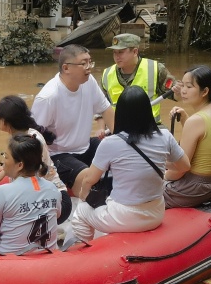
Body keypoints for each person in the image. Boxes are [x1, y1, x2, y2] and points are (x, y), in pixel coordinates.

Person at [70, 86, 190, 244]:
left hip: (125, 216)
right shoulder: (165, 136)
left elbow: (88, 180)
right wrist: (158, 162)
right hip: (156, 214)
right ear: (147, 111)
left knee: (81, 213)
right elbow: (184, 166)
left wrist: (85, 200)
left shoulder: (110, 143)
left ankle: (85, 254)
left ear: (120, 114)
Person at [31, 43, 116, 191]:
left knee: (122, 158)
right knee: (89, 182)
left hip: (85, 146)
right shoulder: (49, 97)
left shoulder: (89, 82)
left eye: (90, 62)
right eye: (84, 63)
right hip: (59, 155)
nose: (89, 67)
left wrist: (122, 141)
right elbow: (32, 137)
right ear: (66, 68)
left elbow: (106, 109)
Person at [0, 95, 71, 225]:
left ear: (4, 122)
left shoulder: (28, 143)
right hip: (47, 198)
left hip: (53, 203)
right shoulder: (28, 135)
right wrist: (5, 171)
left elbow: (28, 185)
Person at [0, 134, 61, 255]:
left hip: (11, 264)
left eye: (6, 157)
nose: (3, 162)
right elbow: (56, 215)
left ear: (20, 165)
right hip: (47, 258)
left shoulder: (2, 192)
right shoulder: (52, 188)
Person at [164, 65, 211, 208]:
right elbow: (204, 141)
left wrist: (162, 177)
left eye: (189, 87)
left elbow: (180, 169)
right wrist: (184, 119)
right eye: (182, 85)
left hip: (194, 190)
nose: (183, 91)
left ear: (205, 91)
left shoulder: (196, 121)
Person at [100, 33, 174, 120]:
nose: (116, 56)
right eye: (114, 53)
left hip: (151, 128)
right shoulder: (107, 74)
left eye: (120, 52)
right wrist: (102, 128)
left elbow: (176, 95)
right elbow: (101, 106)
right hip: (118, 128)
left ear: (135, 52)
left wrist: (181, 90)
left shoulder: (156, 69)